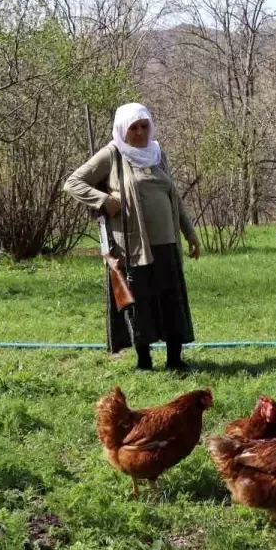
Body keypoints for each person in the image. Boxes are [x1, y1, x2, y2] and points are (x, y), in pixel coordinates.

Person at [64, 103, 201, 372]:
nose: (139, 133)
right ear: (122, 130)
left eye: (144, 126)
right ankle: (144, 362)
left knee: (172, 300)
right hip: (133, 246)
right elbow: (73, 183)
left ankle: (175, 360)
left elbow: (174, 199)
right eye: (133, 128)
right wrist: (104, 200)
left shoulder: (157, 153)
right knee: (141, 302)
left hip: (167, 243)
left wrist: (190, 233)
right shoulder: (113, 155)